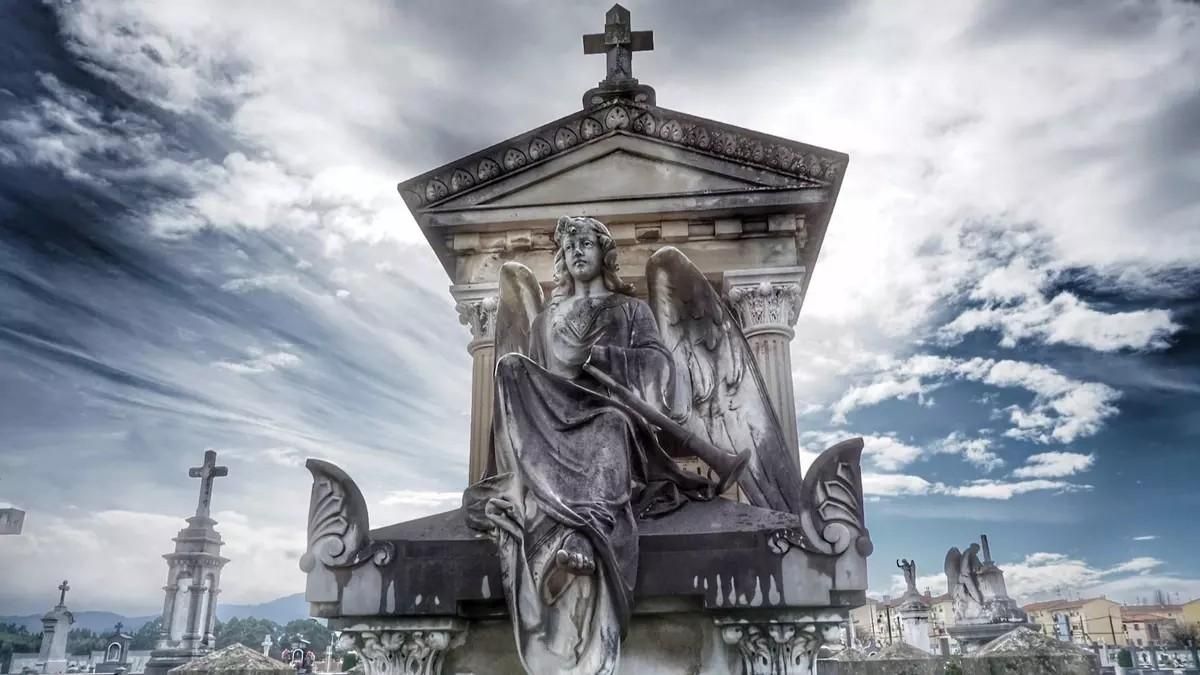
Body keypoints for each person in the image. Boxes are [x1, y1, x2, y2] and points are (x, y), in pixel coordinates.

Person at [464, 216, 717, 675]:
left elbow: (658, 369)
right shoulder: (545, 321)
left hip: (607, 415)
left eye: (586, 242)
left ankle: (586, 529)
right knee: (510, 368)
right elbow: (536, 379)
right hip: (550, 423)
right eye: (569, 245)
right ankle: (544, 508)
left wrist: (598, 356)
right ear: (562, 258)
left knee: (611, 425)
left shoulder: (630, 311)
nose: (577, 250)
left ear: (605, 253)